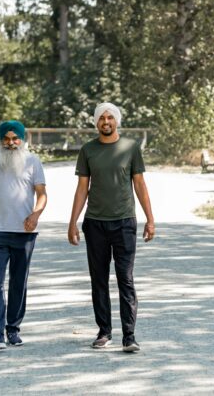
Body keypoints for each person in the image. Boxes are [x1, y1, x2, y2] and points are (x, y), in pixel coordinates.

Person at [68, 102, 155, 353]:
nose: (106, 122)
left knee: (125, 278)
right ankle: (104, 331)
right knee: (99, 279)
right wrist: (73, 221)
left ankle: (129, 336)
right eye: (101, 118)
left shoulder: (130, 148)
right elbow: (82, 188)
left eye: (110, 118)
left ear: (116, 121)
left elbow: (139, 185)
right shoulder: (88, 150)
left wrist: (150, 219)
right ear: (96, 123)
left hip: (124, 222)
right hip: (95, 223)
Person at [0, 120, 47, 350]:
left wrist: (35, 214)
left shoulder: (33, 162)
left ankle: (13, 329)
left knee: (18, 282)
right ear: (1, 139)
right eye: (7, 138)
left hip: (24, 233)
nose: (11, 143)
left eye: (16, 138)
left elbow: (42, 194)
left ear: (22, 140)